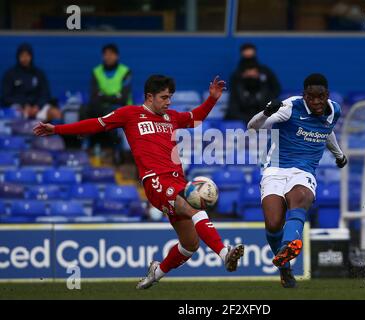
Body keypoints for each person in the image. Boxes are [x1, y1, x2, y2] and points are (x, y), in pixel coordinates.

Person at [33, 75, 244, 289]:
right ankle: (224, 253)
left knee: (190, 245)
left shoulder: (171, 117)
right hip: (155, 182)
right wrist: (57, 129)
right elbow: (95, 124)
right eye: (164, 97)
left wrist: (213, 99)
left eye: (170, 97)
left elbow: (195, 118)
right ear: (149, 97)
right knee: (193, 206)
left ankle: (156, 273)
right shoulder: (130, 114)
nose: (168, 102)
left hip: (177, 182)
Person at [247, 73, 347, 288]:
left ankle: (289, 244)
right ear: (305, 96)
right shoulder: (290, 107)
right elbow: (253, 127)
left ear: (327, 95)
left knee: (300, 197)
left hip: (304, 171)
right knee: (273, 223)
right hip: (275, 169)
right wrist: (266, 112)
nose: (317, 101)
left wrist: (339, 155)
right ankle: (285, 267)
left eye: (321, 96)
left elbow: (326, 132)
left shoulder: (334, 111)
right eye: (312, 97)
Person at [86, 43, 132, 163]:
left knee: (109, 115)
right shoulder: (96, 72)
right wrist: (114, 96)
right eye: (105, 54)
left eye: (111, 54)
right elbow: (94, 96)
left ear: (117, 56)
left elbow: (123, 98)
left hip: (121, 109)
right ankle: (88, 147)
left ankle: (117, 152)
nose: (108, 57)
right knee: (85, 110)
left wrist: (104, 96)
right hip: (100, 108)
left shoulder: (125, 72)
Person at [1, 43, 61, 122]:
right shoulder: (10, 74)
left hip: (37, 108)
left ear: (31, 56)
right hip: (19, 108)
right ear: (18, 57)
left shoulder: (39, 73)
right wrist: (23, 105)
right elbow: (6, 97)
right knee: (14, 113)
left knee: (56, 113)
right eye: (22, 56)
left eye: (27, 55)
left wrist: (37, 106)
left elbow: (46, 94)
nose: (24, 58)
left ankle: (57, 131)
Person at [226, 58, 279, 123]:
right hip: (242, 125)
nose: (251, 79)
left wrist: (259, 119)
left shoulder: (266, 91)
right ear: (243, 75)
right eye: (248, 76)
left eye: (254, 76)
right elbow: (232, 111)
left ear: (259, 75)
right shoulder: (237, 91)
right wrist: (250, 120)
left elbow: (271, 110)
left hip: (263, 122)